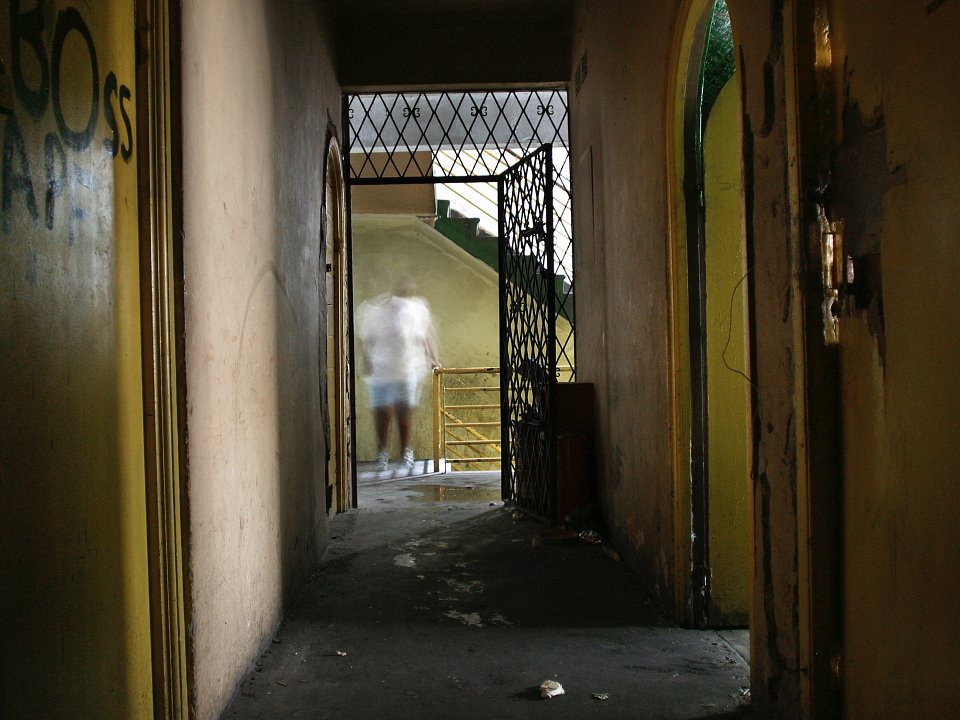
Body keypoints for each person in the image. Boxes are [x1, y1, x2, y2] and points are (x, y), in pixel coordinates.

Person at [356, 277, 440, 472]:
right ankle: (382, 452)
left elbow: (424, 336)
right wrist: (368, 361)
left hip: (406, 370)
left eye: (409, 293)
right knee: (384, 412)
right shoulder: (377, 310)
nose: (406, 296)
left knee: (404, 413)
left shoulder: (415, 310)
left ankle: (405, 452)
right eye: (404, 292)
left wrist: (433, 358)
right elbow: (366, 339)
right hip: (381, 370)